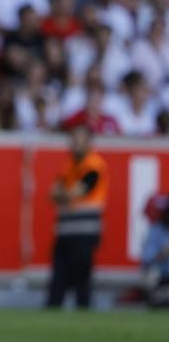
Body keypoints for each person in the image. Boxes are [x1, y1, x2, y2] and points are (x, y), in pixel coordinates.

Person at [47, 125, 108, 309]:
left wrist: (64, 194)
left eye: (79, 140)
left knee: (82, 277)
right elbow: (53, 194)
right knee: (58, 276)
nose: (74, 144)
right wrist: (64, 194)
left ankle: (84, 309)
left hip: (85, 231)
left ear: (89, 142)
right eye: (73, 140)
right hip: (65, 230)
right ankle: (53, 309)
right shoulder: (68, 164)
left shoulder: (94, 165)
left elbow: (76, 191)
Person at [141, 205, 169, 307]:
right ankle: (153, 299)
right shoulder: (156, 230)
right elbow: (147, 258)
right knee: (150, 272)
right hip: (161, 274)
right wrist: (163, 253)